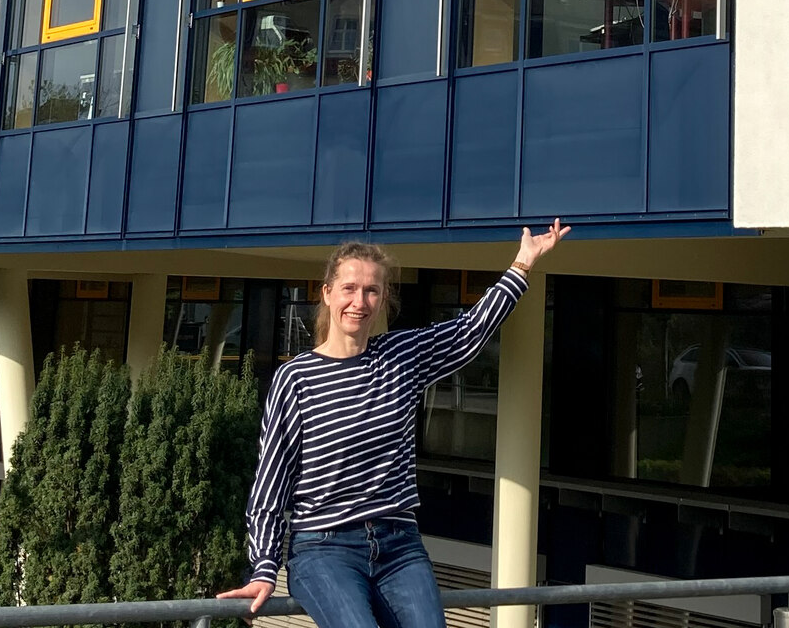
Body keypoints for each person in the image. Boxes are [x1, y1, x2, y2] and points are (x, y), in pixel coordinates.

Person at [219, 220, 571, 628]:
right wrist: (263, 566)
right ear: (327, 293)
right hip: (323, 548)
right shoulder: (296, 378)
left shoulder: (401, 357)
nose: (360, 301)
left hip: (398, 543)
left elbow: (470, 330)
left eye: (372, 290)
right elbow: (270, 481)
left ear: (384, 298)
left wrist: (522, 263)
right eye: (349, 288)